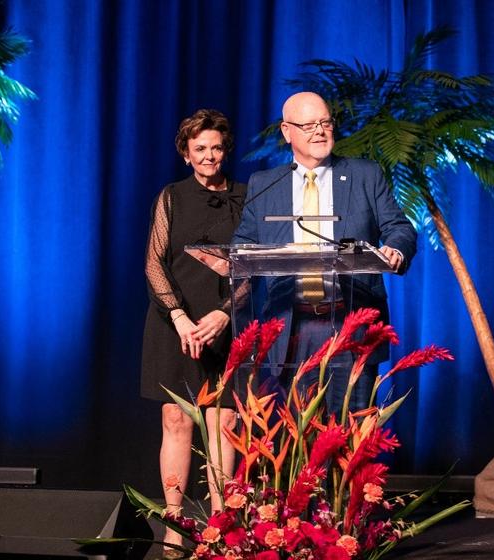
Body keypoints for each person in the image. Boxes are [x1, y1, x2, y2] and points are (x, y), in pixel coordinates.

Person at [232, 91, 417, 411]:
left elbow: (400, 228)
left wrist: (396, 249)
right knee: (300, 443)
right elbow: (241, 245)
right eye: (308, 125)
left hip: (351, 322)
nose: (319, 130)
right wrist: (235, 260)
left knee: (354, 435)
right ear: (287, 132)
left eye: (325, 122)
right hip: (291, 327)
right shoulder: (264, 184)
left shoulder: (365, 175)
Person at [140, 109, 244, 554]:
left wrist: (223, 313)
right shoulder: (171, 197)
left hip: (228, 321)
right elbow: (154, 263)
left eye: (216, 147)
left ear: (226, 149)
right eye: (199, 148)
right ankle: (175, 525)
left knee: (224, 423)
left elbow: (256, 268)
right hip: (174, 322)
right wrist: (180, 316)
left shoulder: (247, 197)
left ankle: (220, 524)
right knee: (176, 418)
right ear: (186, 153)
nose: (209, 156)